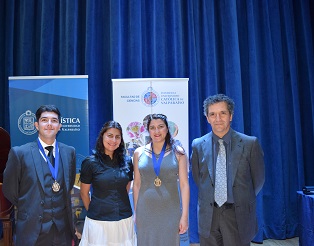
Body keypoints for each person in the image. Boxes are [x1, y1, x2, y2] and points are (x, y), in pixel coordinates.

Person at [191, 94, 265, 246]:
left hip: (237, 215)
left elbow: (258, 180)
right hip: (209, 216)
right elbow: (199, 179)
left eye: (222, 113)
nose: (217, 118)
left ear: (230, 116)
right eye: (212, 114)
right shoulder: (198, 145)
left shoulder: (249, 144)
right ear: (207, 118)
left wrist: (239, 197)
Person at [3, 105, 76, 246]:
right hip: (32, 229)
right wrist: (30, 207)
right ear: (36, 125)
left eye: (54, 121)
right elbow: (9, 190)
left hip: (62, 230)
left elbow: (69, 183)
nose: (49, 124)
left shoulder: (69, 152)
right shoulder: (19, 153)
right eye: (44, 120)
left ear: (59, 126)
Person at [133, 113, 190, 246]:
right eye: (152, 127)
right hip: (145, 211)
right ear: (148, 130)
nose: (157, 131)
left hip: (170, 211)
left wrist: (184, 216)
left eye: (160, 127)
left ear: (167, 129)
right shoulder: (138, 153)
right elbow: (136, 184)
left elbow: (184, 185)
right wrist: (137, 212)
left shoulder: (179, 153)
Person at [79, 121, 136, 246]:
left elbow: (126, 188)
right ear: (102, 137)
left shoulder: (127, 161)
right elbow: (84, 193)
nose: (113, 140)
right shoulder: (90, 162)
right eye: (110, 135)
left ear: (121, 140)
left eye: (117, 137)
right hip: (98, 221)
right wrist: (94, 211)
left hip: (123, 219)